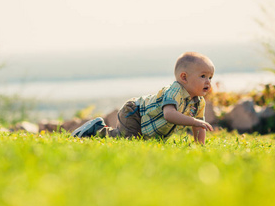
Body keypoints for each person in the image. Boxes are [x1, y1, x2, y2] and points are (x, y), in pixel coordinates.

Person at [72, 52, 214, 144]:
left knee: (140, 142)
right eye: (203, 76)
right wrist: (193, 121)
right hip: (135, 112)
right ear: (184, 77)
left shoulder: (198, 102)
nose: (208, 81)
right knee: (127, 140)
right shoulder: (175, 90)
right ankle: (97, 128)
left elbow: (199, 125)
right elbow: (169, 114)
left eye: (210, 77)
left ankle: (100, 129)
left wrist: (199, 145)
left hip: (148, 123)